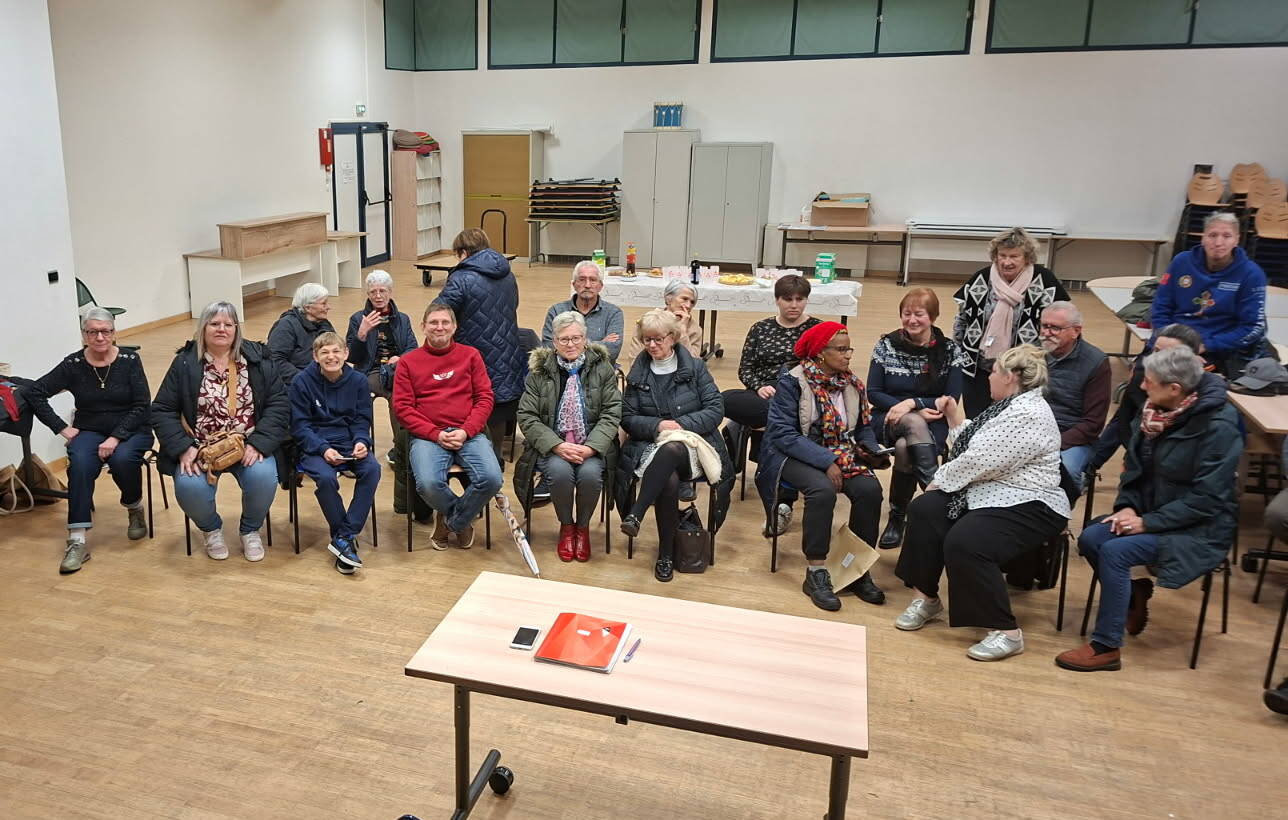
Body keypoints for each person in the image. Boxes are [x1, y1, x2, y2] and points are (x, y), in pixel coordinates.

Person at [1055, 346, 1240, 672]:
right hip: (1152, 513)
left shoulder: (1218, 426)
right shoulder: (1154, 412)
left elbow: (1208, 499)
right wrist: (1127, 507)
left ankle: (1106, 646)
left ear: (1175, 388)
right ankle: (1130, 595)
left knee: (1116, 552)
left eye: (1149, 382)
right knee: (1092, 538)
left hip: (1199, 528)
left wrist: (1148, 522)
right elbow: (1135, 470)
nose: (1141, 387)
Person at [893, 345, 1070, 662]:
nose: (989, 377)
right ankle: (927, 598)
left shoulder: (1027, 413)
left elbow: (977, 461)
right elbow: (978, 447)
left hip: (1031, 501)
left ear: (1011, 377)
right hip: (992, 490)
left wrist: (938, 480)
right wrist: (955, 419)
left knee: (967, 541)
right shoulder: (1007, 406)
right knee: (925, 510)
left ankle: (1006, 632)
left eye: (994, 372)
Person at [756, 321, 886, 610]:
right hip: (791, 453)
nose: (848, 355)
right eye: (840, 349)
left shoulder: (852, 384)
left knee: (869, 491)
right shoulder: (792, 382)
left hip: (839, 452)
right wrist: (827, 461)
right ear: (820, 354)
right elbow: (783, 434)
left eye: (849, 349)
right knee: (822, 491)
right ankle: (816, 571)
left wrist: (871, 449)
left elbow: (863, 428)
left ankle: (856, 568)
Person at [152, 301, 290, 561]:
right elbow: (162, 409)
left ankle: (250, 530)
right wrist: (183, 448)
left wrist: (259, 443)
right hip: (200, 449)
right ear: (203, 328)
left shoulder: (258, 361)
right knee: (189, 487)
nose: (221, 329)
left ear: (237, 329)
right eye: (214, 324)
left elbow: (279, 404)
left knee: (263, 477)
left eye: (228, 324)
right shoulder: (184, 363)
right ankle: (211, 529)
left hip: (248, 443)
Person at [27, 308, 153, 574]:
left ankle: (134, 507)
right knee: (81, 464)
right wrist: (61, 428)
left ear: (114, 333)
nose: (99, 337)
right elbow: (35, 392)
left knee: (122, 459)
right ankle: (77, 540)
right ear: (84, 335)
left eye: (105, 331)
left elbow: (142, 405)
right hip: (90, 429)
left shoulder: (130, 360)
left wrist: (116, 437)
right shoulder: (73, 364)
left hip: (131, 428)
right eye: (92, 332)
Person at [617, 309, 732, 582]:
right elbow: (628, 417)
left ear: (673, 337)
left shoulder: (695, 368)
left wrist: (680, 426)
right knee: (667, 479)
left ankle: (637, 513)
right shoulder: (638, 373)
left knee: (674, 447)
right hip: (651, 445)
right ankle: (665, 554)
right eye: (646, 340)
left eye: (658, 339)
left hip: (694, 444)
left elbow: (715, 409)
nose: (652, 345)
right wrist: (658, 426)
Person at [394, 302, 502, 550]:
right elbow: (403, 408)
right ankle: (462, 522)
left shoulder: (471, 355)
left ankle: (449, 522)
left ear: (454, 327)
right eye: (433, 322)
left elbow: (485, 398)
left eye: (445, 322)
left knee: (492, 478)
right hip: (428, 436)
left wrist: (466, 430)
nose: (439, 327)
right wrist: (435, 434)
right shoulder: (408, 362)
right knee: (428, 484)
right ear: (423, 327)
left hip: (468, 433)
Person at [515, 312, 622, 562]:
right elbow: (527, 415)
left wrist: (592, 447)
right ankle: (566, 526)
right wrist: (556, 445)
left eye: (576, 338)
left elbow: (612, 412)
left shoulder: (602, 368)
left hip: (592, 445)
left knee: (590, 475)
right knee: (559, 473)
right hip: (553, 446)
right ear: (554, 342)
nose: (570, 344)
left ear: (585, 339)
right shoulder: (540, 371)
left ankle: (582, 528)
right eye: (564, 339)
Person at [867, 287, 968, 548]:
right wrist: (907, 409)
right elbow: (873, 393)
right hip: (888, 417)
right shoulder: (886, 345)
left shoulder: (950, 350)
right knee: (913, 422)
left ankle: (897, 517)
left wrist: (913, 404)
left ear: (932, 316)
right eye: (907, 313)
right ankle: (936, 491)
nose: (912, 320)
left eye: (919, 314)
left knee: (905, 447)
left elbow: (951, 399)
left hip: (933, 420)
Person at [288, 332, 381, 575]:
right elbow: (300, 427)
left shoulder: (358, 381)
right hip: (314, 445)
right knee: (327, 478)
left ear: (346, 354)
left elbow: (361, 419)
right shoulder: (301, 382)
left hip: (348, 442)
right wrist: (323, 449)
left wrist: (361, 441)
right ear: (315, 356)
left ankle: (344, 536)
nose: (331, 357)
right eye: (325, 352)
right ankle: (344, 539)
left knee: (372, 469)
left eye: (336, 351)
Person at [953, 227, 1069, 417]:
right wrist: (958, 355)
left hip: (1022, 373)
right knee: (976, 421)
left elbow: (1059, 327)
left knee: (1014, 422)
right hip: (978, 370)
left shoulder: (1044, 282)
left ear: (1027, 258)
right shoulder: (981, 279)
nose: (1007, 262)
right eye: (1002, 255)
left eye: (1014, 256)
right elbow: (961, 321)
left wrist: (1046, 359)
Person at [436, 228, 526, 467]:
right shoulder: (507, 274)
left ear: (464, 252)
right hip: (506, 350)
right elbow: (514, 305)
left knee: (474, 403)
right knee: (496, 404)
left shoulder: (461, 278)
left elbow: (439, 312)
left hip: (473, 351)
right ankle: (496, 457)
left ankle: (476, 460)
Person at [722, 273, 821, 471]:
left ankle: (753, 439)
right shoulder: (760, 328)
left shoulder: (817, 329)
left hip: (799, 393)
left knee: (788, 411)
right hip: (764, 392)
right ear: (777, 300)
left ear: (806, 300)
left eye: (800, 299)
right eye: (788, 299)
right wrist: (759, 387)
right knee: (723, 399)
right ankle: (770, 446)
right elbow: (746, 369)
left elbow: (824, 368)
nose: (794, 305)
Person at [1152, 211, 1268, 378]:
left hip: (1216, 348)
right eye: (1212, 235)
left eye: (1227, 236)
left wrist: (1205, 346)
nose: (1218, 242)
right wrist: (1168, 341)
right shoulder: (1181, 262)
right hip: (1172, 340)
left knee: (1182, 379)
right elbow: (1160, 308)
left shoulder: (1251, 274)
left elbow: (1252, 327)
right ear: (1203, 238)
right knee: (1142, 377)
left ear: (1237, 240)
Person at [344, 270, 421, 518]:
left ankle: (401, 448)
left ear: (390, 292)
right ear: (367, 294)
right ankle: (358, 448)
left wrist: (401, 358)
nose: (378, 296)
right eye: (373, 292)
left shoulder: (402, 319)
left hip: (395, 370)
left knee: (400, 395)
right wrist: (362, 333)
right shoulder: (357, 318)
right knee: (361, 396)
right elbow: (352, 357)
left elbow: (413, 348)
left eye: (382, 291)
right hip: (369, 371)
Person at [1087, 323, 1204, 475]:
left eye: (1167, 354)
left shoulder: (1205, 407)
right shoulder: (1142, 375)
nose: (1156, 358)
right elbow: (1123, 419)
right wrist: (1134, 455)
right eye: (1155, 350)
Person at [1036, 301, 1110, 491]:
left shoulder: (1096, 362)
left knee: (1065, 471)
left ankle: (1060, 509)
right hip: (1032, 431)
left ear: (1076, 331)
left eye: (1055, 328)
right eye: (1044, 326)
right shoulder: (1030, 353)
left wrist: (1054, 444)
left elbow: (1093, 424)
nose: (1047, 333)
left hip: (1072, 438)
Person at [540, 261, 625, 364]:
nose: (587, 285)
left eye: (593, 280)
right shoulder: (556, 311)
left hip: (600, 370)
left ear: (600, 286)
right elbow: (548, 347)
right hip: (561, 370)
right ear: (574, 285)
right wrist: (600, 344)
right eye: (582, 280)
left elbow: (612, 352)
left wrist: (567, 345)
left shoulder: (613, 313)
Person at [267, 282, 336, 386]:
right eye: (323, 304)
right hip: (297, 384)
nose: (328, 307)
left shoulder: (324, 324)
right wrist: (305, 379)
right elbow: (275, 360)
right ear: (307, 308)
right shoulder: (286, 326)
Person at [624, 280, 703, 361]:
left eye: (692, 302)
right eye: (684, 299)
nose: (688, 305)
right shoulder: (648, 322)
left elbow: (694, 363)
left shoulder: (695, 330)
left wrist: (682, 332)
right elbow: (635, 359)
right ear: (668, 299)